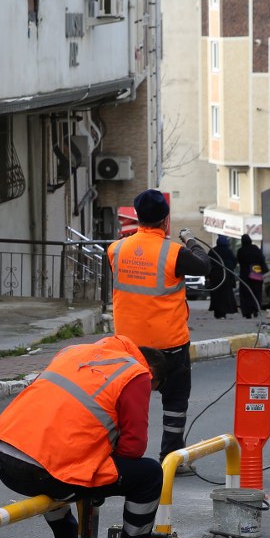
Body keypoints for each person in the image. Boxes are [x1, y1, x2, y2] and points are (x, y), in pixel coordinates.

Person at [0, 334, 175, 538]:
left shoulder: (73, 352)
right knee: (150, 474)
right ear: (152, 372)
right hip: (47, 471)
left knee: (56, 466)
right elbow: (133, 448)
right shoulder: (136, 373)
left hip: (5, 458)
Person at [106, 189, 215, 464]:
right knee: (175, 403)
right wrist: (190, 240)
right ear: (166, 219)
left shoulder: (115, 250)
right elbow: (205, 266)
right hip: (170, 345)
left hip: (127, 347)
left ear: (138, 217)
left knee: (122, 402)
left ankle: (117, 456)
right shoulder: (174, 252)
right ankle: (170, 458)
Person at [235, 232, 267, 319]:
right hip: (256, 274)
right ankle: (255, 309)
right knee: (256, 293)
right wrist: (263, 270)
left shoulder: (241, 251)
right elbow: (261, 259)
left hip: (245, 275)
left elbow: (238, 261)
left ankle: (247, 312)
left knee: (246, 294)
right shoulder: (255, 248)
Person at [209, 236, 239, 320]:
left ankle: (217, 313)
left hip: (215, 277)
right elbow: (234, 262)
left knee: (216, 295)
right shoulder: (228, 252)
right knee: (225, 295)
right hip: (226, 277)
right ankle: (224, 312)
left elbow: (208, 263)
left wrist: (209, 275)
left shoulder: (213, 251)